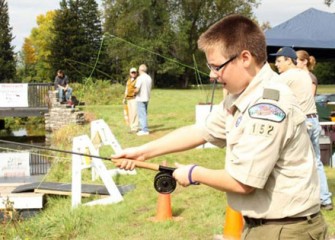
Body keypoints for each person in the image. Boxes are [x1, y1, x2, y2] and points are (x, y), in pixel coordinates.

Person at [112, 15, 327, 239]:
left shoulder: (267, 106)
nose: (212, 75)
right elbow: (200, 131)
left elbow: (243, 182)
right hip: (267, 226)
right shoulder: (242, 94)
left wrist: (194, 173)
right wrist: (141, 152)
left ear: (245, 58)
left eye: (217, 67)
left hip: (285, 230)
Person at [271, 47, 333, 211]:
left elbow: (268, 95)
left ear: (288, 60)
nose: (276, 64)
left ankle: (298, 201)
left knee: (293, 163)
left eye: (279, 60)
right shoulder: (305, 75)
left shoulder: (285, 77)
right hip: (313, 120)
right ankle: (324, 199)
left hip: (301, 123)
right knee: (316, 162)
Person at [135, 64, 152, 136]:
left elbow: (137, 89)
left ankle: (144, 130)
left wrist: (133, 92)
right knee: (144, 113)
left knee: (142, 114)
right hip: (147, 98)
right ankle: (143, 128)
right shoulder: (149, 77)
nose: (138, 71)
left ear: (141, 70)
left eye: (138, 69)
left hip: (141, 98)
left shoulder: (140, 78)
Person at [124, 67, 139, 132]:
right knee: (130, 113)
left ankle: (135, 127)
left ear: (136, 73)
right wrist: (124, 98)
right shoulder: (128, 80)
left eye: (134, 72)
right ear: (130, 73)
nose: (133, 73)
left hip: (135, 98)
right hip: (128, 99)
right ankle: (132, 126)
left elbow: (138, 89)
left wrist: (135, 93)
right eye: (132, 72)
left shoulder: (138, 80)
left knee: (135, 113)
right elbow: (126, 90)